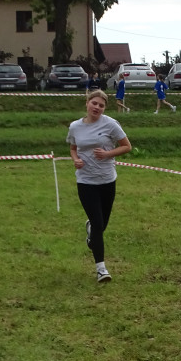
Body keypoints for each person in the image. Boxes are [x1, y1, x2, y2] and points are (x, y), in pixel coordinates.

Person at [67, 90, 132, 283]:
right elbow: (72, 148)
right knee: (97, 223)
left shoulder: (110, 124)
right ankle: (101, 269)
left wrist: (107, 154)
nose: (97, 107)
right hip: (86, 181)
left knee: (101, 225)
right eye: (94, 103)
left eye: (101, 106)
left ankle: (91, 233)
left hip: (107, 180)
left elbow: (126, 146)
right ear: (87, 103)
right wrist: (76, 159)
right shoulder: (75, 127)